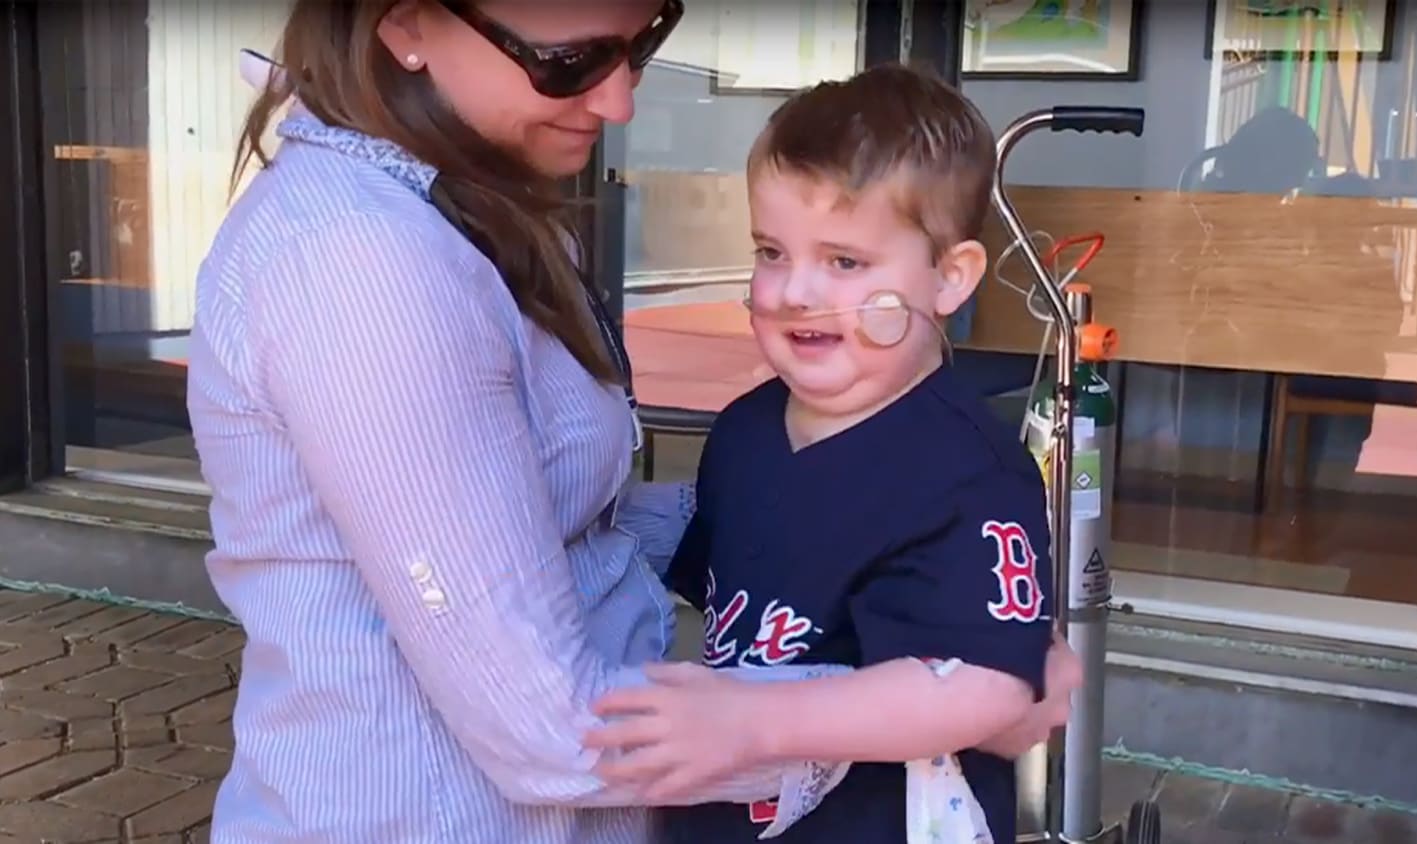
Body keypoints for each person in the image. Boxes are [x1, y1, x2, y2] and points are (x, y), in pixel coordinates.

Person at [190, 2, 1075, 842]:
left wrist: (981, 674)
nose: (619, 101)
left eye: (639, 45)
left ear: (952, 279)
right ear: (407, 22)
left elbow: (604, 534)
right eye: (570, 59)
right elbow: (546, 721)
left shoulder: (959, 467)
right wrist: (864, 714)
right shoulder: (362, 261)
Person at [582, 65, 1065, 844]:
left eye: (844, 262)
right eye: (772, 251)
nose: (795, 291)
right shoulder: (744, 430)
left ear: (950, 277)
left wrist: (756, 722)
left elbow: (985, 688)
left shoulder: (967, 472)